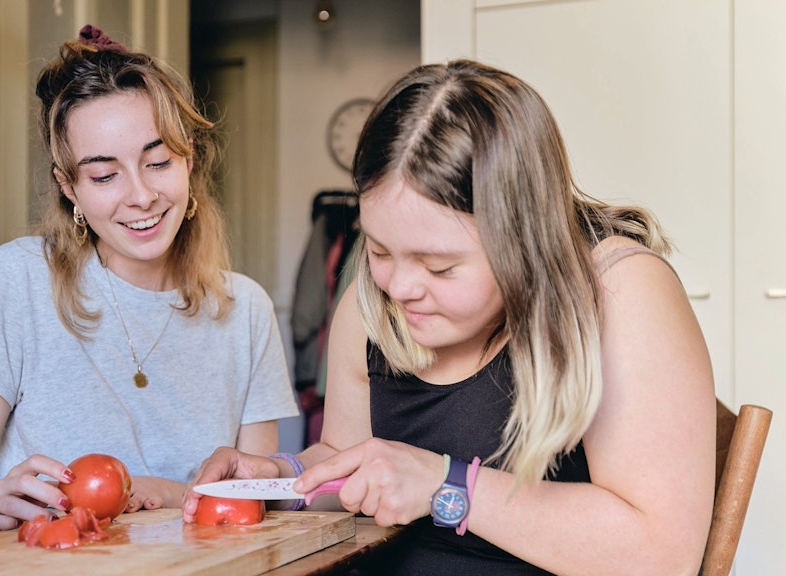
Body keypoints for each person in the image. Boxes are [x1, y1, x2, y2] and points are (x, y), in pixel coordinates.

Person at [184, 59, 716, 574]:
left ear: (524, 237)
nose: (399, 287)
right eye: (379, 250)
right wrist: (279, 480)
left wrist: (447, 484)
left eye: (439, 266)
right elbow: (347, 458)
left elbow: (660, 555)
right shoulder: (370, 305)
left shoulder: (619, 292)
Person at [0, 25, 299, 531]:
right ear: (68, 186)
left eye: (157, 161)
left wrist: (164, 493)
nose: (141, 196)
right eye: (104, 175)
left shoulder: (246, 309)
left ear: (188, 158)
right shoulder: (22, 279)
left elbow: (253, 500)